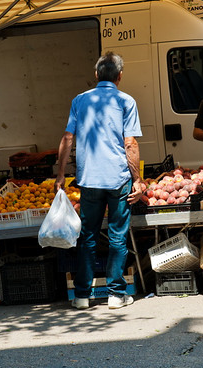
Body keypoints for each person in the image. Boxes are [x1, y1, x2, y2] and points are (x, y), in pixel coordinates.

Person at [54, 52, 144, 309]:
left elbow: (67, 139)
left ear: (96, 75)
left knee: (88, 237)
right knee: (117, 236)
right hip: (117, 179)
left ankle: (82, 295)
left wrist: (60, 175)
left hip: (89, 180)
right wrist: (137, 179)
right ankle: (116, 295)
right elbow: (130, 143)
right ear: (120, 76)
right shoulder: (126, 101)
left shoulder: (79, 101)